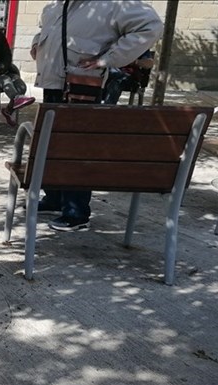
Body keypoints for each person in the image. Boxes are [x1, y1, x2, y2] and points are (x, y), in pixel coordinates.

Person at [30, 0, 163, 231]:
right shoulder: (56, 6)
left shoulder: (112, 4)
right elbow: (46, 30)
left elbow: (150, 26)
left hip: (82, 84)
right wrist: (37, 44)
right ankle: (54, 198)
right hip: (53, 82)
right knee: (53, 145)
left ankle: (76, 211)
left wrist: (108, 59)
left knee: (77, 148)